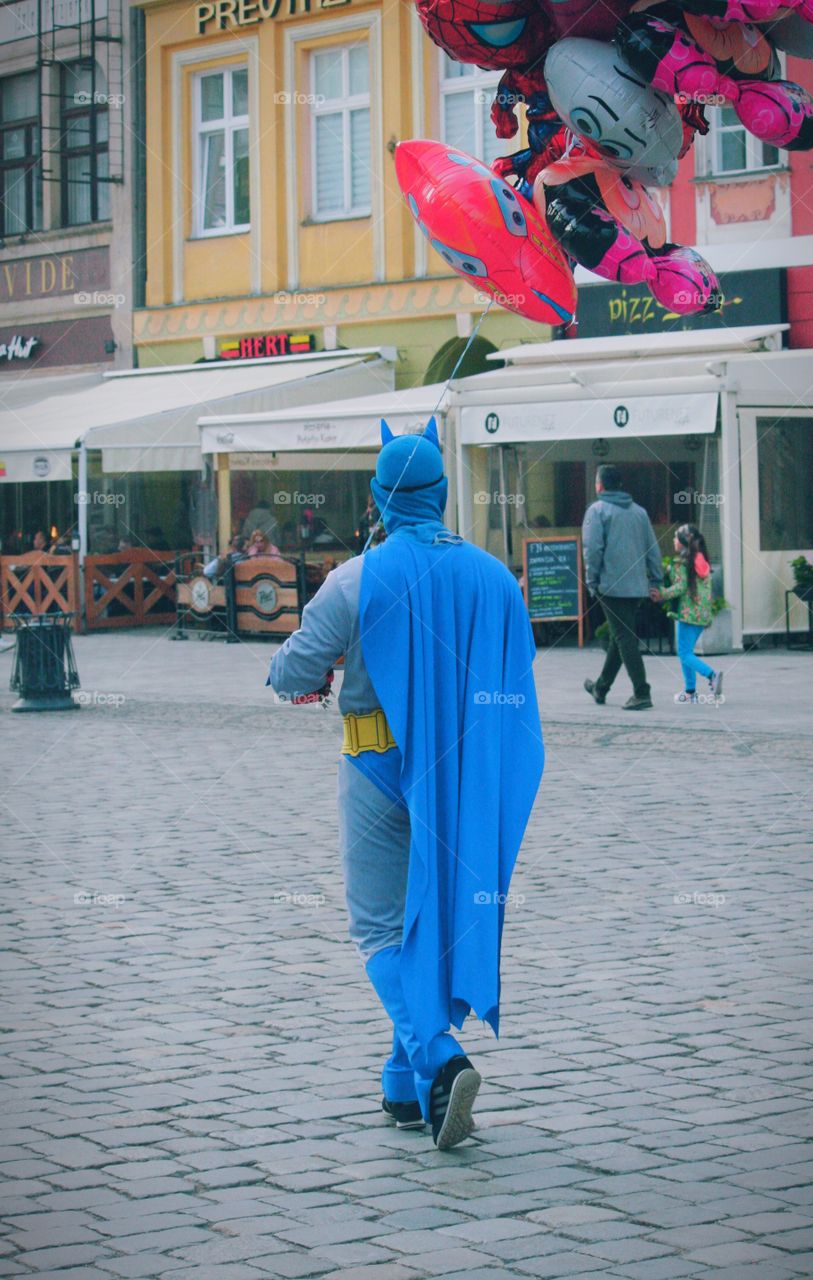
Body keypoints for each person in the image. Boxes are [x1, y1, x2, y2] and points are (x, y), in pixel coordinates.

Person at [267, 418, 543, 1150]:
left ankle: (438, 1060)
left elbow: (289, 673)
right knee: (438, 917)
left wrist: (337, 656)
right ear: (444, 493)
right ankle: (403, 1087)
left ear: (376, 500)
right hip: (463, 776)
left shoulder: (354, 578)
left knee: (382, 928)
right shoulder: (494, 577)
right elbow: (514, 674)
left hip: (375, 768)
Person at [582, 464, 663, 711]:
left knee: (625, 637)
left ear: (600, 485)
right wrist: (656, 579)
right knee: (621, 635)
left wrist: (591, 580)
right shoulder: (640, 512)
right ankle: (601, 687)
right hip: (637, 586)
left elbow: (592, 549)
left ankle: (642, 692)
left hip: (611, 585)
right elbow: (653, 548)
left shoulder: (596, 511)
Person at [651, 524, 724, 703]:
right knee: (687, 652)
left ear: (684, 541)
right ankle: (690, 692)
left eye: (676, 538)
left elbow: (680, 587)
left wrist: (662, 593)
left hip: (687, 613)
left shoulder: (681, 563)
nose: (674, 540)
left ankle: (712, 675)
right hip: (702, 615)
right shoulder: (701, 560)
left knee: (684, 653)